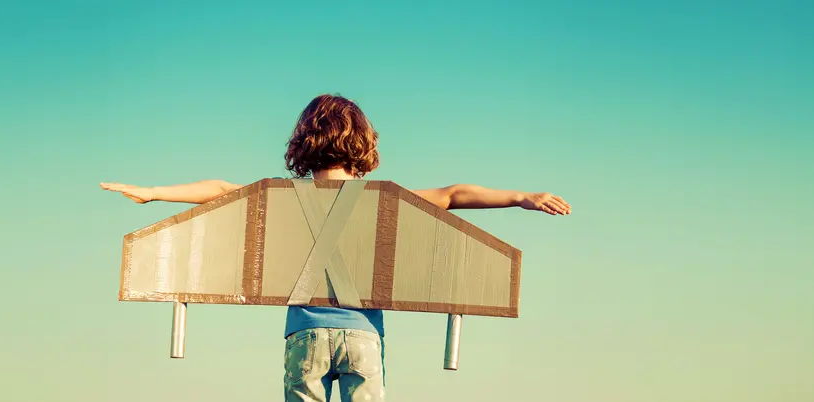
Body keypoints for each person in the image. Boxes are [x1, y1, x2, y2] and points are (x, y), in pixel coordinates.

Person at [101, 94, 572, 402]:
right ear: (362, 142)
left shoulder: (284, 198)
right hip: (363, 337)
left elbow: (220, 189)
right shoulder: (383, 200)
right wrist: (521, 197)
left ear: (303, 142)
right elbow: (452, 195)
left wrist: (152, 192)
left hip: (304, 337)